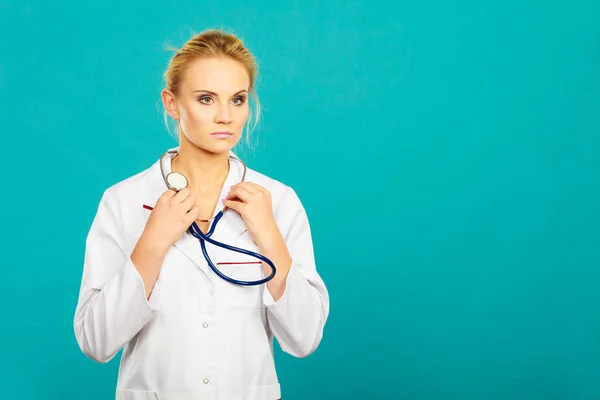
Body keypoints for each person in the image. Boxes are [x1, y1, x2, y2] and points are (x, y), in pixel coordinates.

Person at [73, 29, 329, 400]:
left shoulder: (279, 202)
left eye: (237, 99)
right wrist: (153, 241)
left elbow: (305, 338)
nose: (225, 116)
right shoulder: (124, 201)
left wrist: (269, 235)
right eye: (206, 99)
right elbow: (96, 341)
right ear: (172, 103)